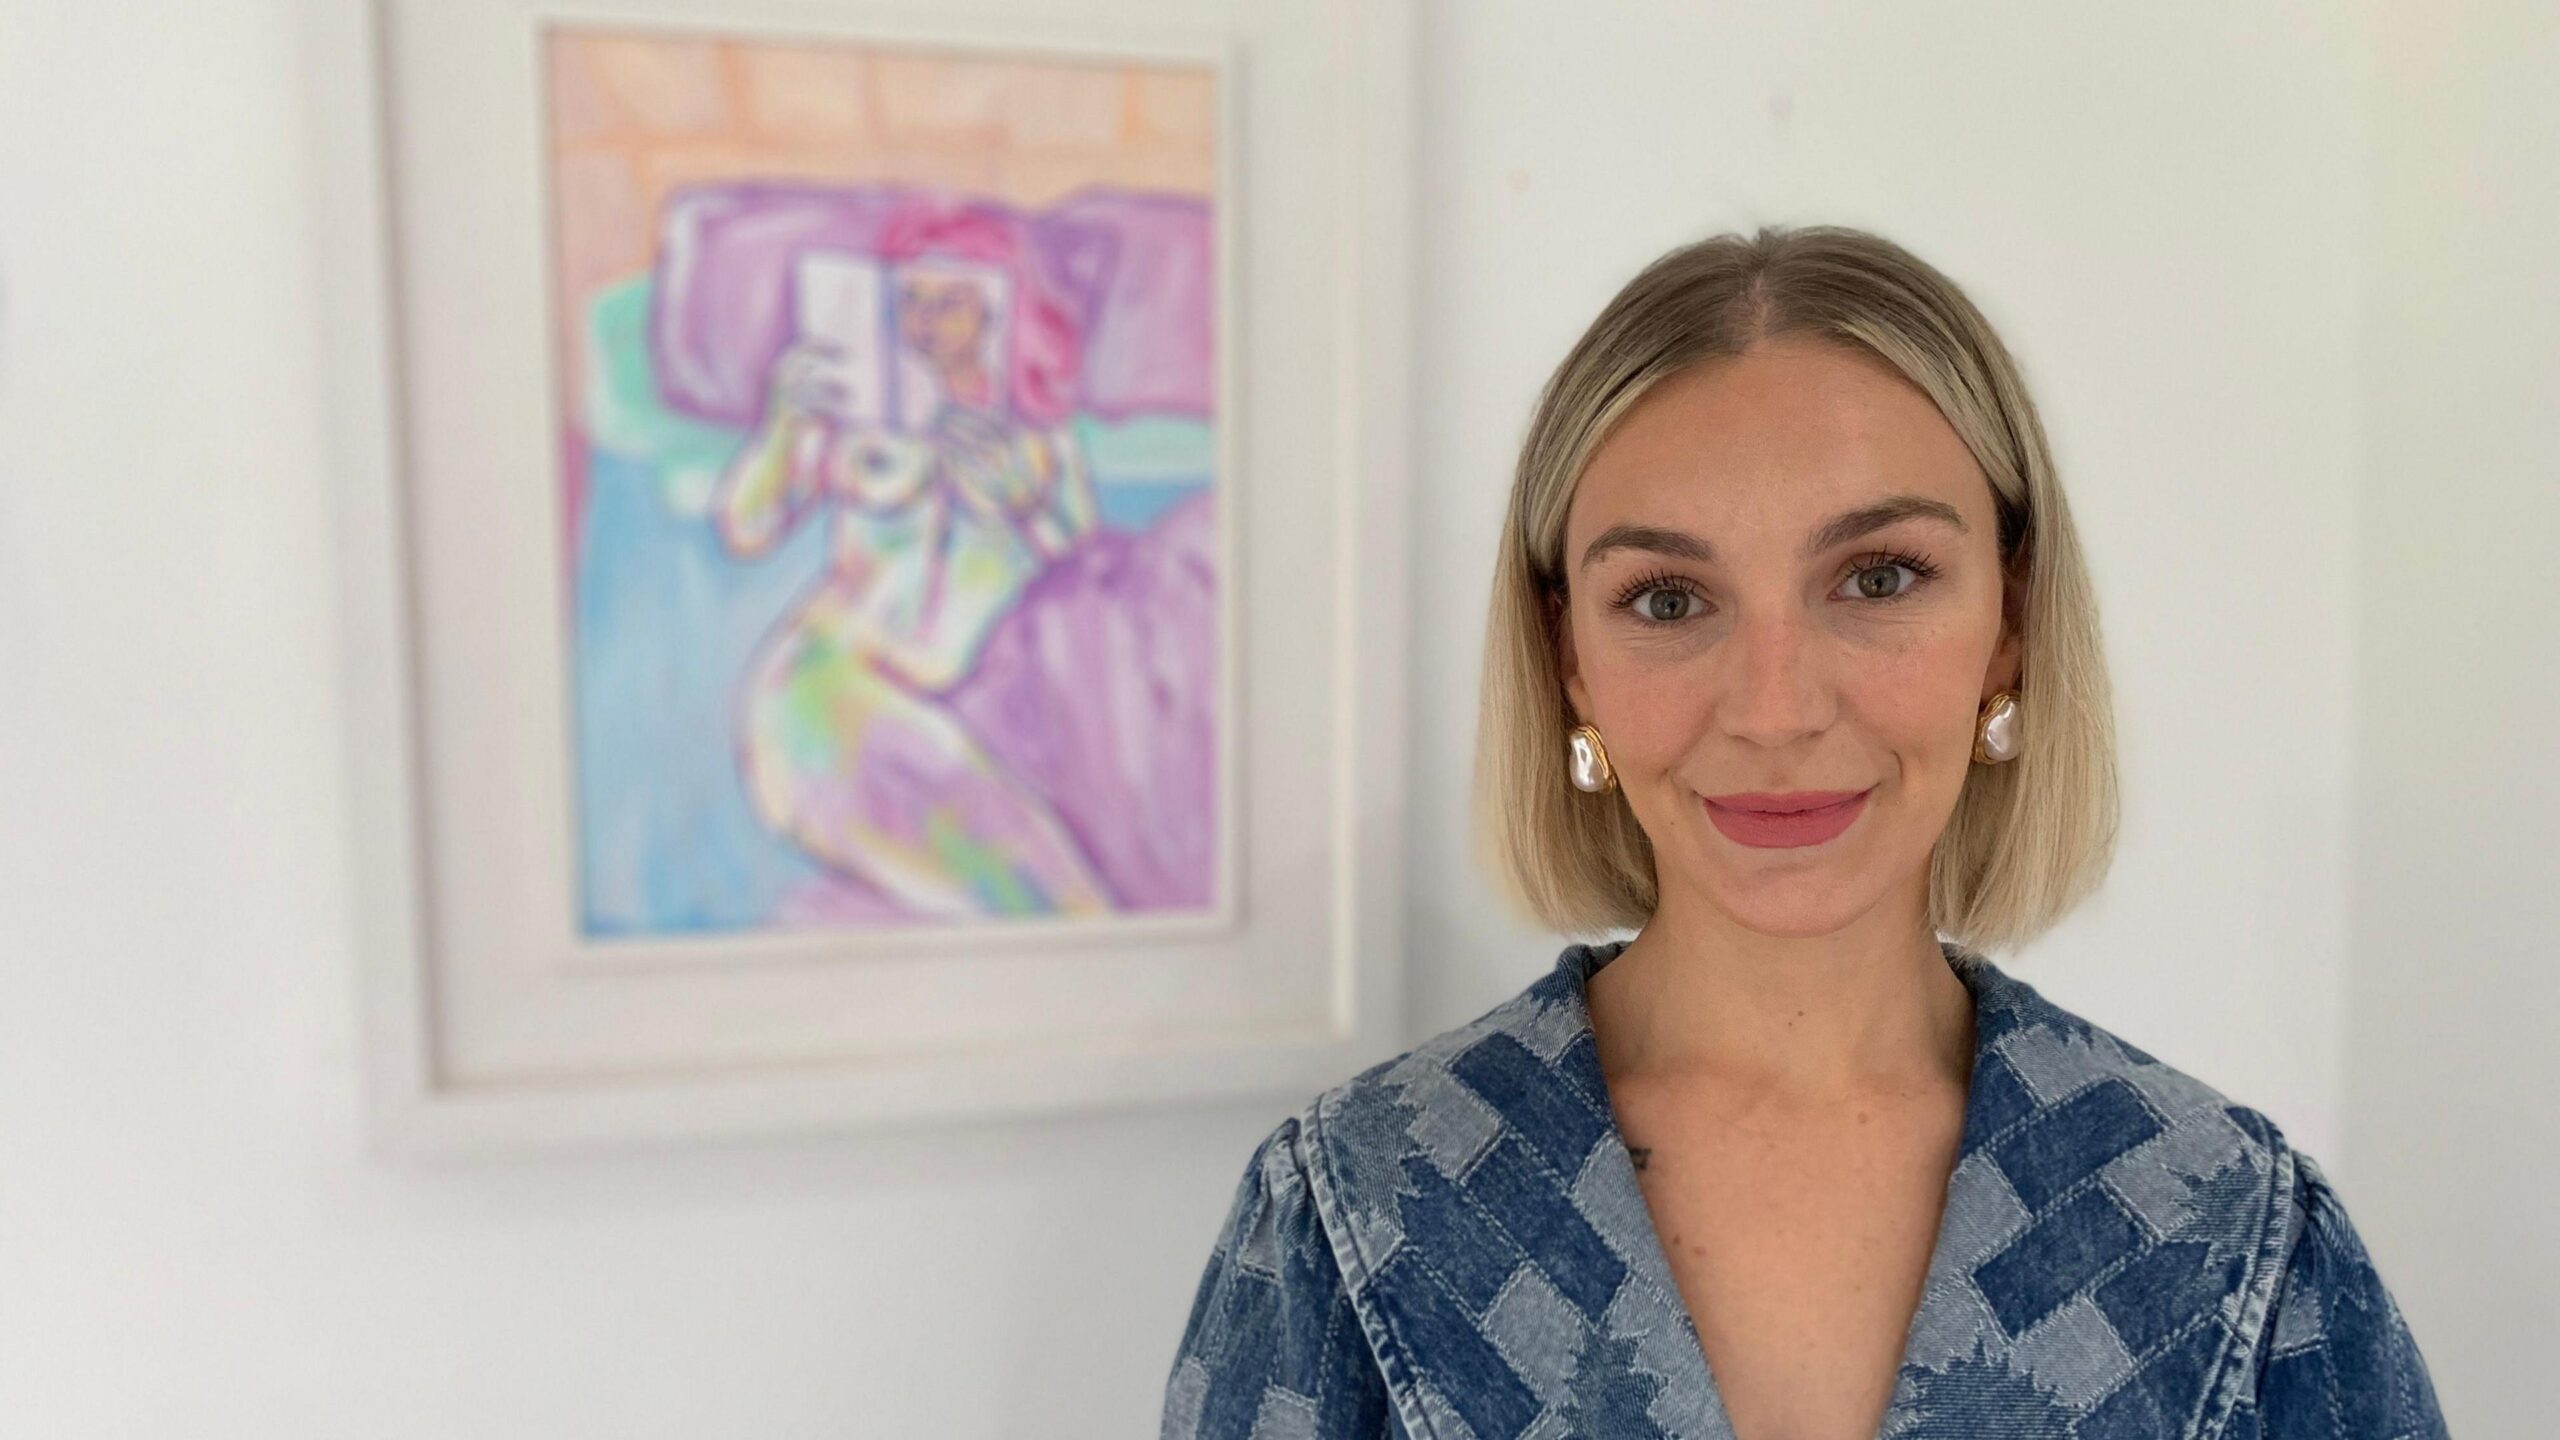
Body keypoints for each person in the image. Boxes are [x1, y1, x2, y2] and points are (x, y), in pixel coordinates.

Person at [1160, 225, 2447, 1439]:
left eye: (1878, 578)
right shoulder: (1358, 1211)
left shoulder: (2230, 1229)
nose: (1774, 710)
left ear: (2010, 620)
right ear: (1568, 659)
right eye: (1667, 598)